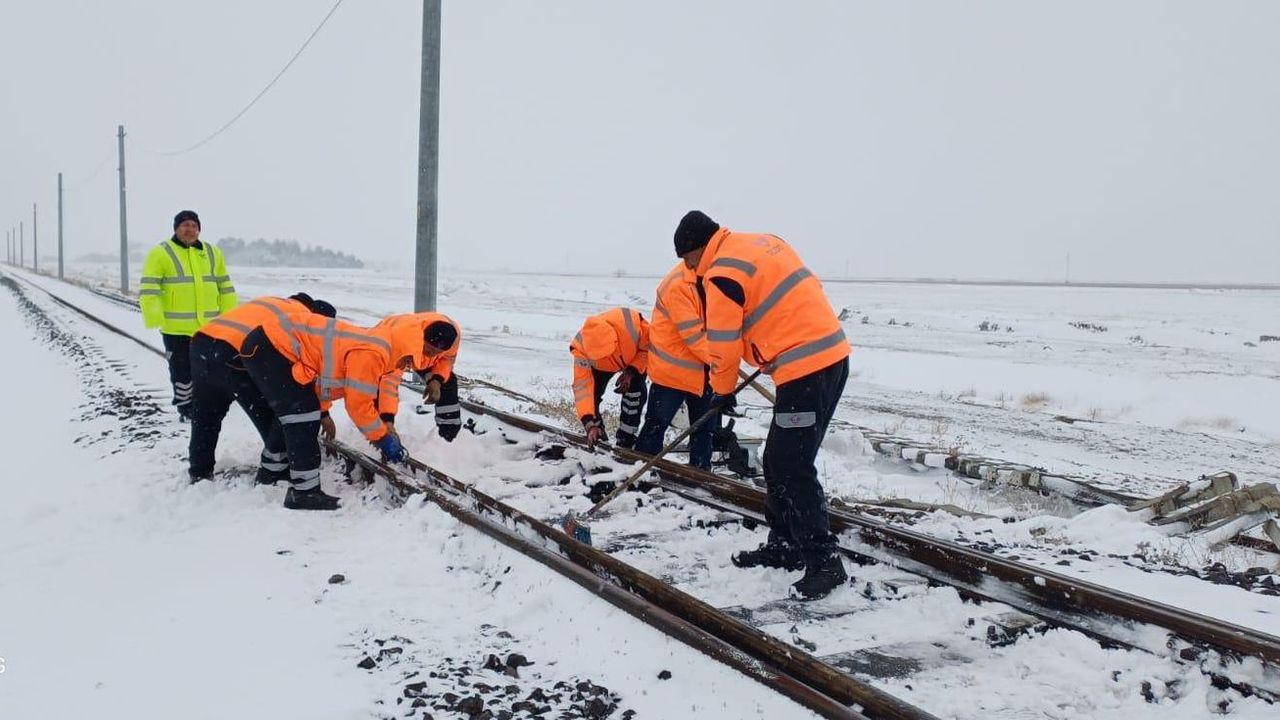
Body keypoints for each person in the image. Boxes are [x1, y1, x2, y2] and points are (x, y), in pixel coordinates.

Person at [673, 210, 852, 600]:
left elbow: (723, 346)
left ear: (697, 250)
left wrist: (721, 392)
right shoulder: (761, 242)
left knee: (791, 464)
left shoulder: (721, 273)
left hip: (806, 368)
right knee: (777, 459)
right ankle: (785, 545)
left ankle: (824, 562)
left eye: (688, 261)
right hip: (827, 357)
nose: (690, 270)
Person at [239, 312, 442, 510]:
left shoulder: (378, 346)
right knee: (301, 415)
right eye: (407, 361)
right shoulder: (373, 354)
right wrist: (383, 438)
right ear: (404, 349)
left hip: (268, 343)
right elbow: (358, 404)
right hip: (273, 346)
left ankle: (271, 473)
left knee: (296, 411)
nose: (406, 367)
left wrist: (324, 413)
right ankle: (304, 493)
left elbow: (321, 382)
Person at [187, 293, 337, 484]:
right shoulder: (304, 320)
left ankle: (199, 471)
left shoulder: (276, 302)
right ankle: (276, 467)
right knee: (280, 412)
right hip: (234, 354)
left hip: (201, 343)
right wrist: (322, 413)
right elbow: (303, 376)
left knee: (205, 416)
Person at [138, 210, 237, 421]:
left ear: (199, 229)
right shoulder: (161, 252)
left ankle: (206, 404)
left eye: (194, 225)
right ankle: (186, 408)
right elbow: (149, 287)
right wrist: (154, 317)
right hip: (176, 329)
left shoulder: (212, 252)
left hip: (209, 328)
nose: (190, 229)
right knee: (181, 371)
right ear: (176, 228)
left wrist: (228, 318)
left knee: (209, 370)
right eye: (185, 225)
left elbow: (225, 287)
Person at [634, 262, 717, 469]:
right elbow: (693, 335)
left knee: (704, 428)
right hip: (672, 372)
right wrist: (722, 363)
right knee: (656, 424)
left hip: (703, 371)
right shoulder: (678, 285)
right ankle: (642, 470)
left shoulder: (710, 279)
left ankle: (700, 476)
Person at [369, 312, 464, 442]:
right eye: (429, 351)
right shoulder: (401, 341)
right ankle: (378, 431)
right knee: (376, 387)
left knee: (447, 383)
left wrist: (436, 380)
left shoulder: (453, 337)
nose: (431, 355)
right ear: (421, 340)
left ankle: (448, 436)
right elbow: (389, 381)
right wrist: (387, 419)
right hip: (383, 347)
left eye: (437, 353)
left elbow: (446, 360)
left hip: (417, 350)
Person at [570, 308, 649, 449]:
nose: (605, 357)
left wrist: (632, 371)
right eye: (600, 356)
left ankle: (626, 439)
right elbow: (583, 388)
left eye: (606, 354)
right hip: (600, 368)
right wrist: (589, 423)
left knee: (635, 394)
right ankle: (598, 436)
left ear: (615, 341)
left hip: (633, 361)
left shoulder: (632, 325)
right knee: (592, 398)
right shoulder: (581, 349)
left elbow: (648, 349)